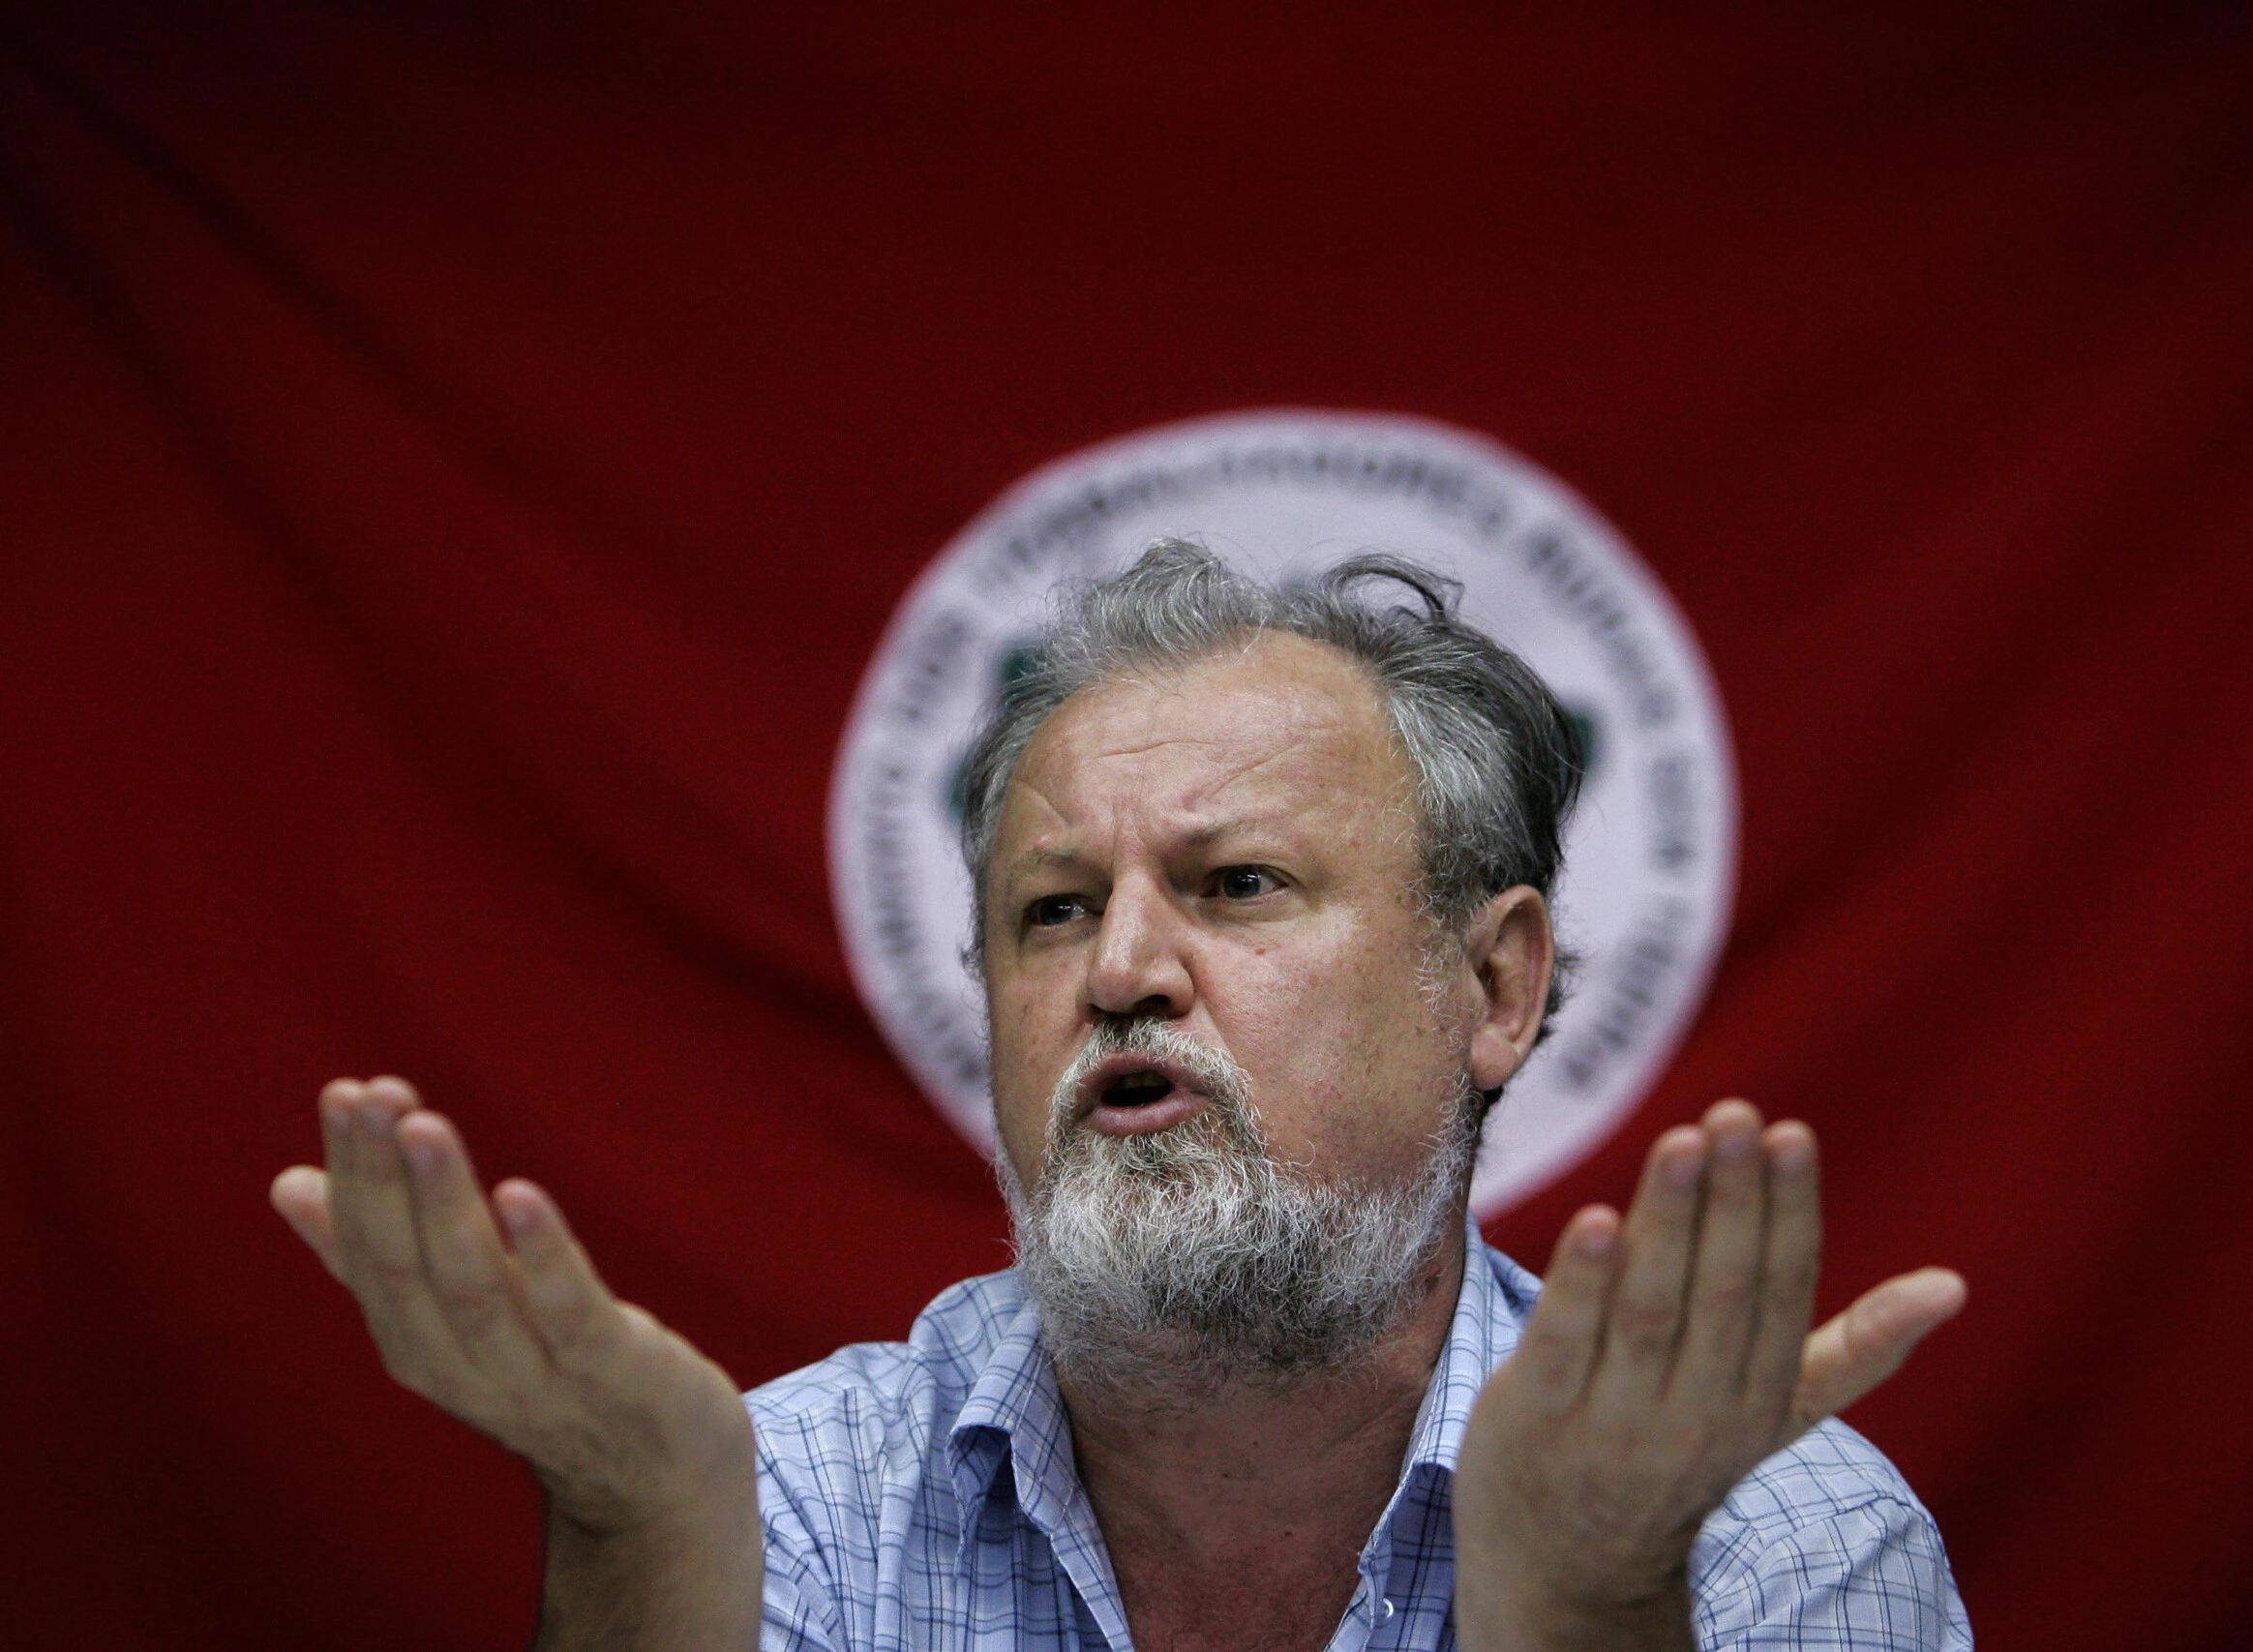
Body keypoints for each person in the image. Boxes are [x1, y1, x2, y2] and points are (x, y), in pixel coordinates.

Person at [271, 541, 1971, 1652]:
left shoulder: (1771, 1537)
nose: (1121, 971)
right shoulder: (783, 1501)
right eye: (1055, 908)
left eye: (1236, 885)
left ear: (1497, 984)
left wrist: (1600, 1605)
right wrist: (632, 1536)